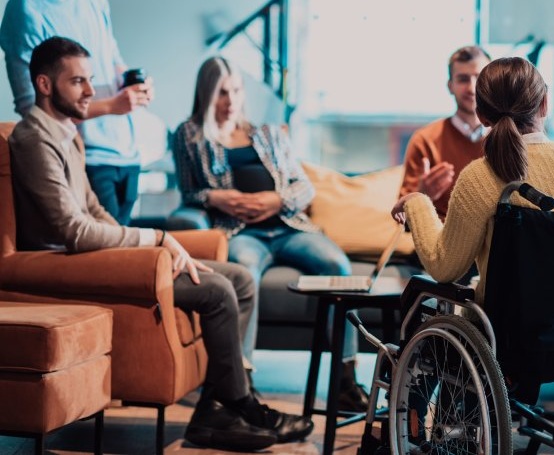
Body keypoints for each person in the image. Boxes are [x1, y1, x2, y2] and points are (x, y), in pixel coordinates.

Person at [9, 36, 313, 451]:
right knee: (219, 289)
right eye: (77, 82)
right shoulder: (33, 138)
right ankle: (240, 404)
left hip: (84, 254)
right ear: (44, 85)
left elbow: (96, 212)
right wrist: (156, 239)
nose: (90, 92)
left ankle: (215, 412)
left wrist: (143, 251)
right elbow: (72, 231)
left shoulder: (67, 133)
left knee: (240, 279)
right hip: (59, 262)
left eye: (90, 80)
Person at [173, 56, 369, 412]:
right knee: (243, 273)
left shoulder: (265, 133)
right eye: (220, 92)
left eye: (235, 91)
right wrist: (219, 198)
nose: (230, 100)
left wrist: (276, 200)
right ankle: (240, 381)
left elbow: (304, 186)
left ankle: (345, 378)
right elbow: (189, 193)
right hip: (240, 231)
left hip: (287, 226)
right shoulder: (190, 135)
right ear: (205, 94)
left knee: (337, 266)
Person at [392, 56, 554, 306]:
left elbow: (444, 267)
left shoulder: (480, 177)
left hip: (505, 329)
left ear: (481, 116)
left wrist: (416, 201)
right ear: (545, 103)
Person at [0, 0, 153, 225]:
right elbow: (34, 107)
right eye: (81, 82)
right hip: (87, 155)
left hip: (126, 151)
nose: (89, 90)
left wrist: (136, 83)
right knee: (111, 254)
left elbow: (113, 59)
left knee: (126, 250)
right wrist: (111, 106)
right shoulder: (25, 10)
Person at [398, 45, 491, 220]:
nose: (472, 88)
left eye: (479, 78)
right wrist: (422, 195)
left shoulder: (507, 139)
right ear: (450, 86)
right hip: (440, 241)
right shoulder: (425, 140)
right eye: (463, 79)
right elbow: (401, 217)